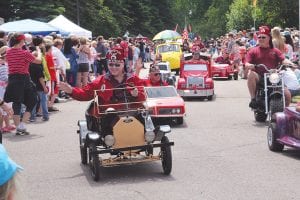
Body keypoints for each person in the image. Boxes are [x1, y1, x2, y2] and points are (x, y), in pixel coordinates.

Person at [59, 48, 145, 113]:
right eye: (111, 64)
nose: (113, 67)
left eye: (117, 65)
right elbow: (86, 94)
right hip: (108, 119)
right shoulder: (101, 80)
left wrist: (137, 94)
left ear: (123, 64)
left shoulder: (133, 79)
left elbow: (145, 96)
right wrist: (71, 90)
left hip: (132, 114)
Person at [245, 26, 294, 109]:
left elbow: (283, 59)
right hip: (259, 76)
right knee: (251, 74)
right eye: (259, 37)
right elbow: (246, 62)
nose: (260, 39)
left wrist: (290, 63)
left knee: (287, 95)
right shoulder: (253, 50)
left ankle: (283, 116)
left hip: (273, 76)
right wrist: (248, 65)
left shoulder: (275, 50)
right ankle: (253, 99)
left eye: (263, 37)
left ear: (269, 38)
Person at [4, 33, 42, 135]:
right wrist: (38, 52)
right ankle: (22, 125)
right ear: (21, 41)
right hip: (23, 79)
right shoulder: (24, 53)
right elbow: (39, 61)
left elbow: (8, 60)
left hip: (12, 79)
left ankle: (19, 128)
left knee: (17, 103)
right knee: (34, 100)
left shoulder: (8, 52)